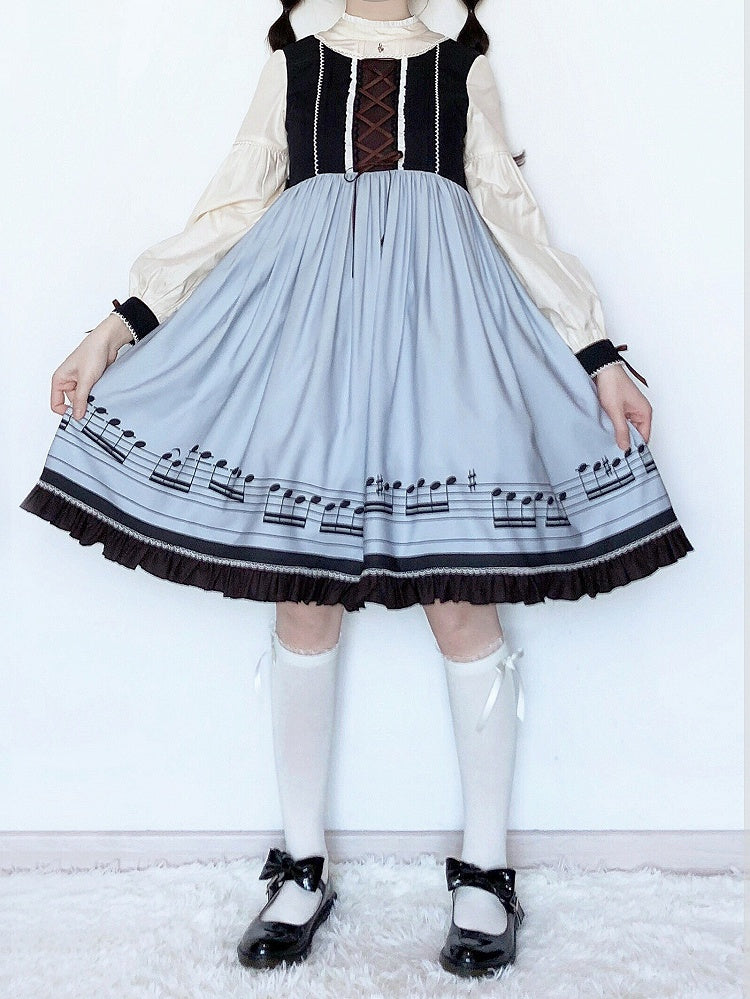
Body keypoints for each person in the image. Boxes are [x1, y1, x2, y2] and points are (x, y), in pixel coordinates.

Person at [20, 0, 694, 978]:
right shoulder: (297, 62)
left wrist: (596, 350)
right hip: (307, 340)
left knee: (460, 595)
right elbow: (232, 204)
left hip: (443, 340)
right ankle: (301, 863)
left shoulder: (457, 64)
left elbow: (509, 212)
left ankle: (487, 868)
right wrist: (115, 329)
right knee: (304, 594)